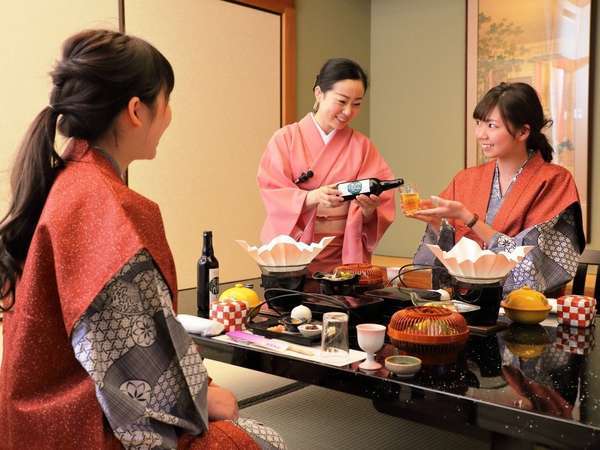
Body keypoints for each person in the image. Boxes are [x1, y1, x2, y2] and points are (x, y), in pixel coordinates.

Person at [0, 30, 285, 450]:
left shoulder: (61, 181)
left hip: (30, 423)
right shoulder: (108, 207)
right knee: (257, 438)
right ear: (136, 110)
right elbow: (133, 362)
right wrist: (202, 398)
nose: (169, 116)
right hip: (82, 426)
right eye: (166, 101)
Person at [411, 82, 584, 295]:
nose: (480, 134)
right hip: (463, 307)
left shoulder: (554, 181)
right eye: (478, 123)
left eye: (492, 126)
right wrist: (439, 225)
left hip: (524, 314)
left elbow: (530, 268)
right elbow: (444, 267)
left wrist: (469, 219)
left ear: (523, 132)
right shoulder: (465, 179)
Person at [257, 58, 396, 273]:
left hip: (342, 256)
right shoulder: (285, 139)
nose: (348, 111)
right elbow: (272, 189)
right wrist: (310, 197)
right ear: (319, 93)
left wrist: (368, 210)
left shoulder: (362, 147)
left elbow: (380, 207)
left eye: (357, 103)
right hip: (294, 252)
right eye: (341, 101)